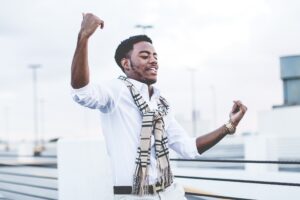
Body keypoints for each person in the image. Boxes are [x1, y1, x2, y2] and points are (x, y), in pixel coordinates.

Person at [71, 13, 247, 200]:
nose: (154, 60)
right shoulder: (116, 91)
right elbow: (81, 92)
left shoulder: (160, 103)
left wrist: (229, 126)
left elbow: (188, 148)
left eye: (155, 56)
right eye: (145, 56)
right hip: (134, 196)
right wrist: (84, 37)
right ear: (126, 64)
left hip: (171, 192)